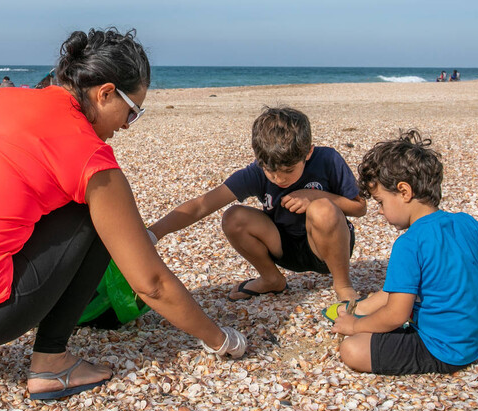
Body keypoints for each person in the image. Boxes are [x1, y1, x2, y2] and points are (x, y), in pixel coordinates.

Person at [0, 28, 245, 400]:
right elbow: (151, 283)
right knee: (95, 212)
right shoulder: (87, 152)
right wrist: (220, 338)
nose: (127, 127)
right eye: (132, 113)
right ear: (106, 93)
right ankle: (51, 363)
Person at [332, 130, 478, 375]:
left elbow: (396, 315)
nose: (380, 211)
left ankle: (361, 319)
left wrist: (356, 327)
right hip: (475, 340)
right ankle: (363, 310)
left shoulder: (409, 244)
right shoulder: (465, 222)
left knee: (352, 349)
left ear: (404, 192)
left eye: (381, 202)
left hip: (442, 349)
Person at [149, 107, 367, 305]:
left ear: (308, 153)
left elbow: (359, 208)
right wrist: (153, 233)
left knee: (323, 209)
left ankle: (343, 285)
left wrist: (316, 195)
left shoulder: (327, 159)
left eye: (288, 171)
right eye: (270, 171)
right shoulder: (255, 173)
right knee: (233, 216)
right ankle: (271, 279)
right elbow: (201, 205)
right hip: (283, 248)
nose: (279, 179)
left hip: (329, 248)